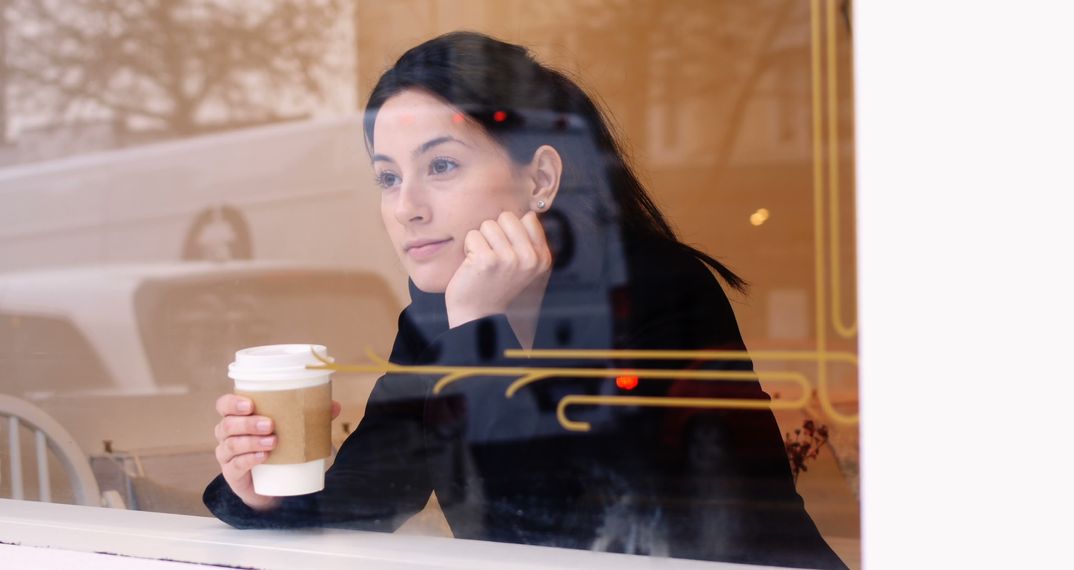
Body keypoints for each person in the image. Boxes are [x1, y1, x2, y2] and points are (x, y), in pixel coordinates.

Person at [204, 31, 846, 569]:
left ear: (539, 178)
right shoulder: (439, 317)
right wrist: (262, 492)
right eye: (388, 177)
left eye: (442, 166)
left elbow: (556, 536)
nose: (406, 208)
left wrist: (477, 332)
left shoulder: (654, 292)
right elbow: (371, 495)